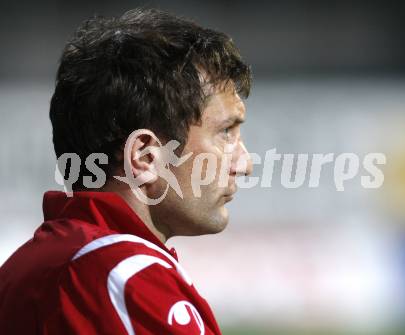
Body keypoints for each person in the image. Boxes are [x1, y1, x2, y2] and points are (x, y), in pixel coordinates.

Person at [0, 7, 253, 334]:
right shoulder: (128, 280)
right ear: (145, 157)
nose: (244, 164)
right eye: (226, 133)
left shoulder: (24, 270)